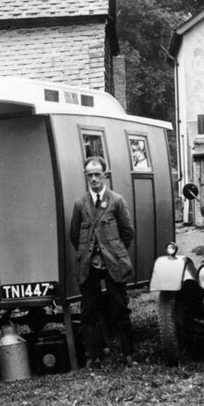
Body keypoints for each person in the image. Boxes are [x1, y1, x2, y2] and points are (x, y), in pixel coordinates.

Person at [69, 156, 136, 367]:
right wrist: (89, 252)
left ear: (105, 175)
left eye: (98, 174)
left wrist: (115, 252)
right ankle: (92, 356)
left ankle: (128, 355)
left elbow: (128, 232)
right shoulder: (80, 204)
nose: (94, 179)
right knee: (88, 312)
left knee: (120, 308)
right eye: (90, 175)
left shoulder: (116, 201)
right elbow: (74, 235)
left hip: (113, 263)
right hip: (89, 265)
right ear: (86, 177)